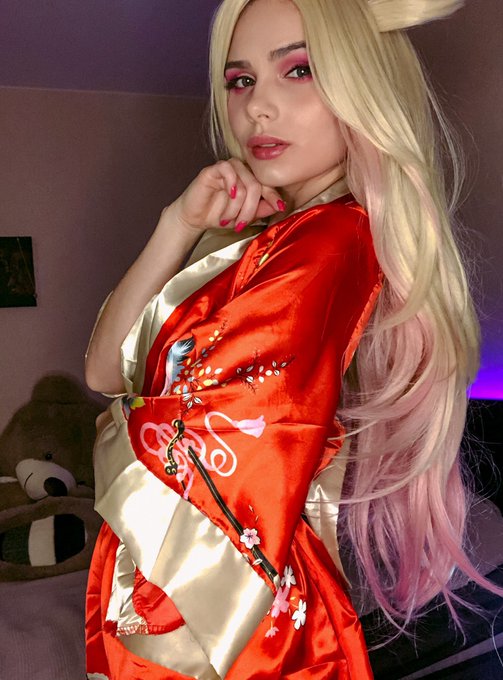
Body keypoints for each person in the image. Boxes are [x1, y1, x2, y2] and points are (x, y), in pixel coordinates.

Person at [84, 0, 499, 678]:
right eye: (240, 80)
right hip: (201, 584)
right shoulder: (272, 239)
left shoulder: (331, 241)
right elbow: (105, 372)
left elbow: (209, 446)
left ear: (361, 84)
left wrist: (124, 423)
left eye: (298, 70)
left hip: (223, 608)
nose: (257, 108)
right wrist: (177, 224)